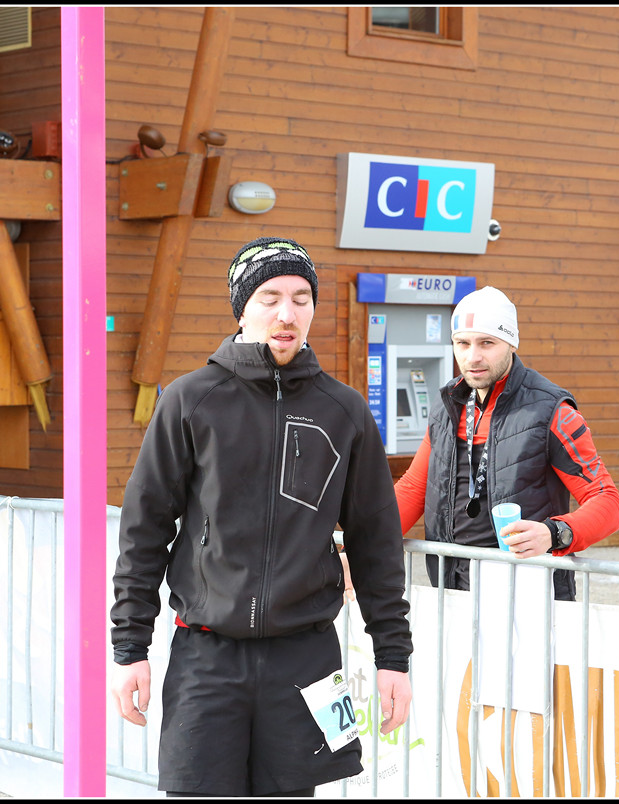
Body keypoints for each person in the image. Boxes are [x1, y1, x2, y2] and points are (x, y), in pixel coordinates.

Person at [109, 236, 413, 797]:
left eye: (301, 298)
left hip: (308, 659)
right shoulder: (190, 399)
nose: (286, 314)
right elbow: (144, 529)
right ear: (242, 309)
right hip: (206, 656)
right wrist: (130, 648)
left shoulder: (345, 411)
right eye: (269, 298)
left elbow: (376, 544)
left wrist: (394, 657)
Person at [390, 285, 619, 601]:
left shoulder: (552, 411)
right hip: (452, 590)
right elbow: (413, 490)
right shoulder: (447, 406)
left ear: (511, 343)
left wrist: (553, 533)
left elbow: (608, 502)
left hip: (529, 596)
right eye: (463, 343)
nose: (473, 357)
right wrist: (361, 545)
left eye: (487, 343)